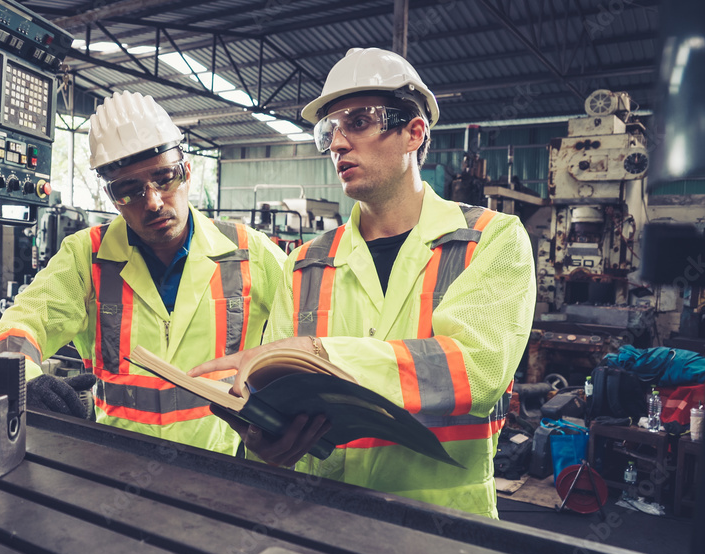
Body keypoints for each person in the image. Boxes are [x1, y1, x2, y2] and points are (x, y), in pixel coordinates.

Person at [189, 48, 536, 518]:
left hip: (441, 528)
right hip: (320, 518)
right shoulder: (307, 262)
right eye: (329, 130)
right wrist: (263, 437)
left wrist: (319, 355)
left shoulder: (491, 240)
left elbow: (477, 370)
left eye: (357, 121)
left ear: (414, 132)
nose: (336, 143)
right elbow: (275, 387)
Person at [0, 91, 287, 455]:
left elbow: (312, 341)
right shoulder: (87, 256)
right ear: (112, 197)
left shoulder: (250, 252)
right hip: (114, 465)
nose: (154, 202)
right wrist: (24, 380)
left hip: (222, 472)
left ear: (187, 172)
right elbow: (20, 326)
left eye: (164, 178)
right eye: (130, 191)